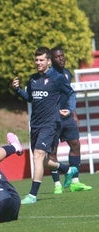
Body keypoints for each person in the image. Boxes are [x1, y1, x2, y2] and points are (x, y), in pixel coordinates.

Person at [12, 46, 78, 204]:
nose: (38, 62)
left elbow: (71, 93)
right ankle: (68, 170)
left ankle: (32, 195)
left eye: (41, 60)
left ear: (48, 61)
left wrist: (69, 110)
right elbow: (29, 98)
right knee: (42, 161)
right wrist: (17, 90)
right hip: (35, 124)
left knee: (38, 156)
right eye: (36, 60)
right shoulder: (33, 78)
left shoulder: (57, 78)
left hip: (50, 124)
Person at [49, 46, 92, 194]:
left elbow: (70, 94)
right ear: (51, 60)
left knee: (75, 145)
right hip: (53, 118)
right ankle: (57, 185)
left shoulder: (67, 74)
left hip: (67, 118)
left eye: (62, 56)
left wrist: (73, 112)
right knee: (52, 150)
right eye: (57, 57)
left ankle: (75, 182)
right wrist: (55, 111)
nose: (61, 58)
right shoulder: (48, 75)